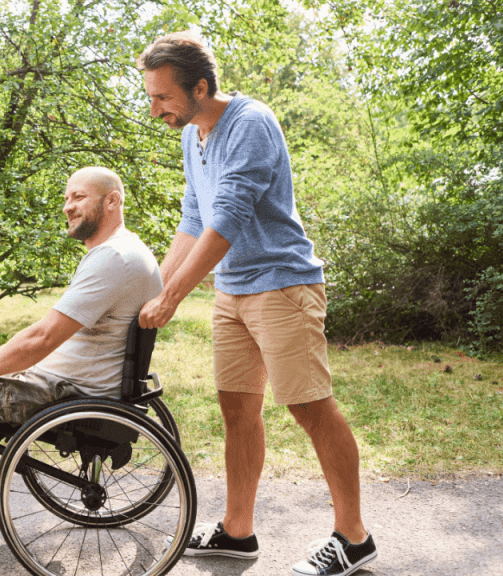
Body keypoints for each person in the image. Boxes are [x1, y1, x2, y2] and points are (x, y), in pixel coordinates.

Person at [135, 31, 377, 576]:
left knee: (310, 407)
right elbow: (193, 223)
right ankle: (238, 533)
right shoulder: (192, 135)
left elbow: (227, 220)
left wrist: (173, 297)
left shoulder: (249, 122)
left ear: (200, 86)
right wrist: (151, 289)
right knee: (237, 410)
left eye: (163, 97)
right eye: (151, 97)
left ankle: (354, 539)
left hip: (281, 285)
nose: (155, 111)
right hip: (233, 290)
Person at [0, 166, 163, 548]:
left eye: (79, 197)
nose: (68, 207)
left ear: (112, 200)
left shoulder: (112, 258)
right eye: (67, 197)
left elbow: (41, 339)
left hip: (69, 392)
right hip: (72, 380)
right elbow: (48, 335)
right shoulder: (126, 250)